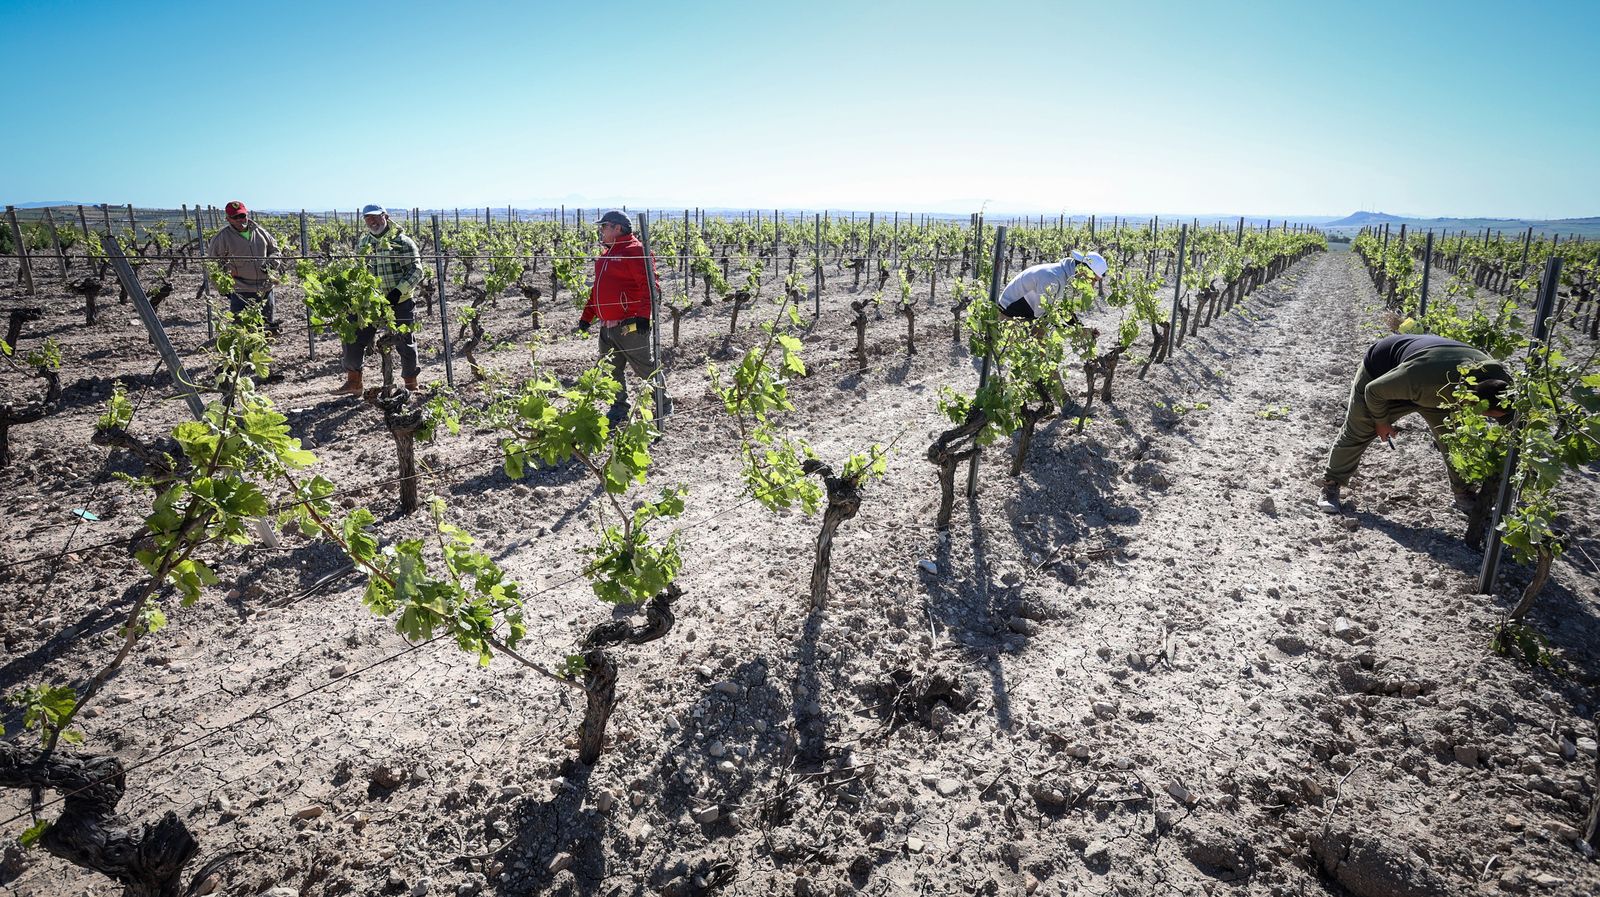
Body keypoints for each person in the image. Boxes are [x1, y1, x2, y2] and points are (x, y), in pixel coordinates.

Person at [1318, 333, 1514, 514]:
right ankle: (1331, 484)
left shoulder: (1504, 387)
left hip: (1441, 386)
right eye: (1486, 414)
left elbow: (1508, 417)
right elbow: (1373, 391)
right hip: (1383, 373)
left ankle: (1464, 493)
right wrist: (1382, 422)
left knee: (1455, 440)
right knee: (1359, 429)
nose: (1486, 418)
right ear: (1471, 400)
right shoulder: (1422, 380)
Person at [578, 210, 666, 423]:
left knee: (644, 367)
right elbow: (598, 289)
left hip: (630, 324)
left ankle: (664, 403)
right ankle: (619, 407)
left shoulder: (635, 250)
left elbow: (649, 285)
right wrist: (587, 316)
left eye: (604, 226)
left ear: (617, 228)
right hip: (607, 325)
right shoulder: (607, 253)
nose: (601, 230)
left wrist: (644, 315)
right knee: (611, 371)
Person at [332, 204, 424, 396]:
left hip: (400, 301)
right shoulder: (364, 243)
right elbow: (358, 271)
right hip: (371, 302)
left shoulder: (403, 242)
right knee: (354, 338)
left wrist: (398, 292)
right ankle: (354, 381)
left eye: (375, 217)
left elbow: (416, 271)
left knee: (405, 342)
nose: (372, 221)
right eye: (368, 219)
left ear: (386, 216)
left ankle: (411, 384)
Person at [207, 200, 280, 330]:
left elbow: (275, 251)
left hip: (265, 289)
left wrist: (271, 263)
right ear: (228, 219)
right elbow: (213, 265)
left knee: (266, 331)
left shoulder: (260, 232)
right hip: (241, 291)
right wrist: (222, 287)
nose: (240, 219)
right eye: (235, 217)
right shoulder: (222, 238)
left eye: (242, 215)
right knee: (243, 331)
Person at [995, 249, 1108, 320]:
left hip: (1028, 311)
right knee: (1042, 331)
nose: (1092, 286)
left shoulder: (1067, 276)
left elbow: (1062, 310)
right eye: (1093, 280)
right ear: (1083, 271)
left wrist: (1081, 329)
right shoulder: (1053, 278)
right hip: (1008, 312)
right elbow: (1043, 316)